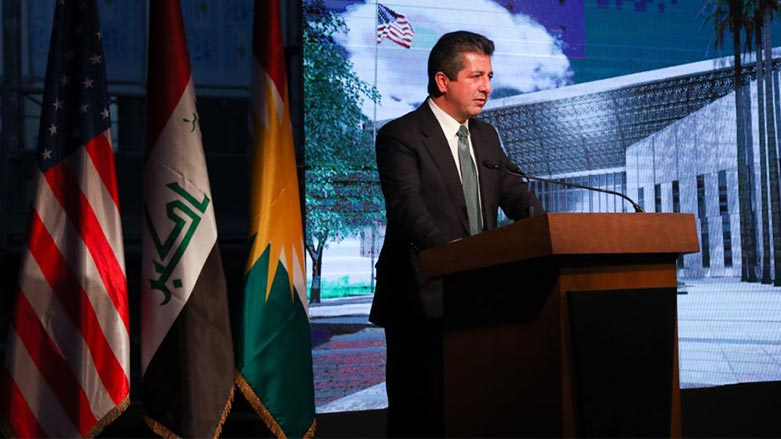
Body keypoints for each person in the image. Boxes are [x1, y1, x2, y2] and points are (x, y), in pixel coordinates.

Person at [370, 30, 544, 437]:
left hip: (481, 300)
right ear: (442, 81)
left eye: (489, 76)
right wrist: (454, 254)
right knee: (422, 417)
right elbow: (406, 208)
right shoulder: (401, 135)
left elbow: (516, 195)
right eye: (475, 76)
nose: (486, 87)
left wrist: (548, 229)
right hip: (421, 298)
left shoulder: (485, 136)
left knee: (477, 413)